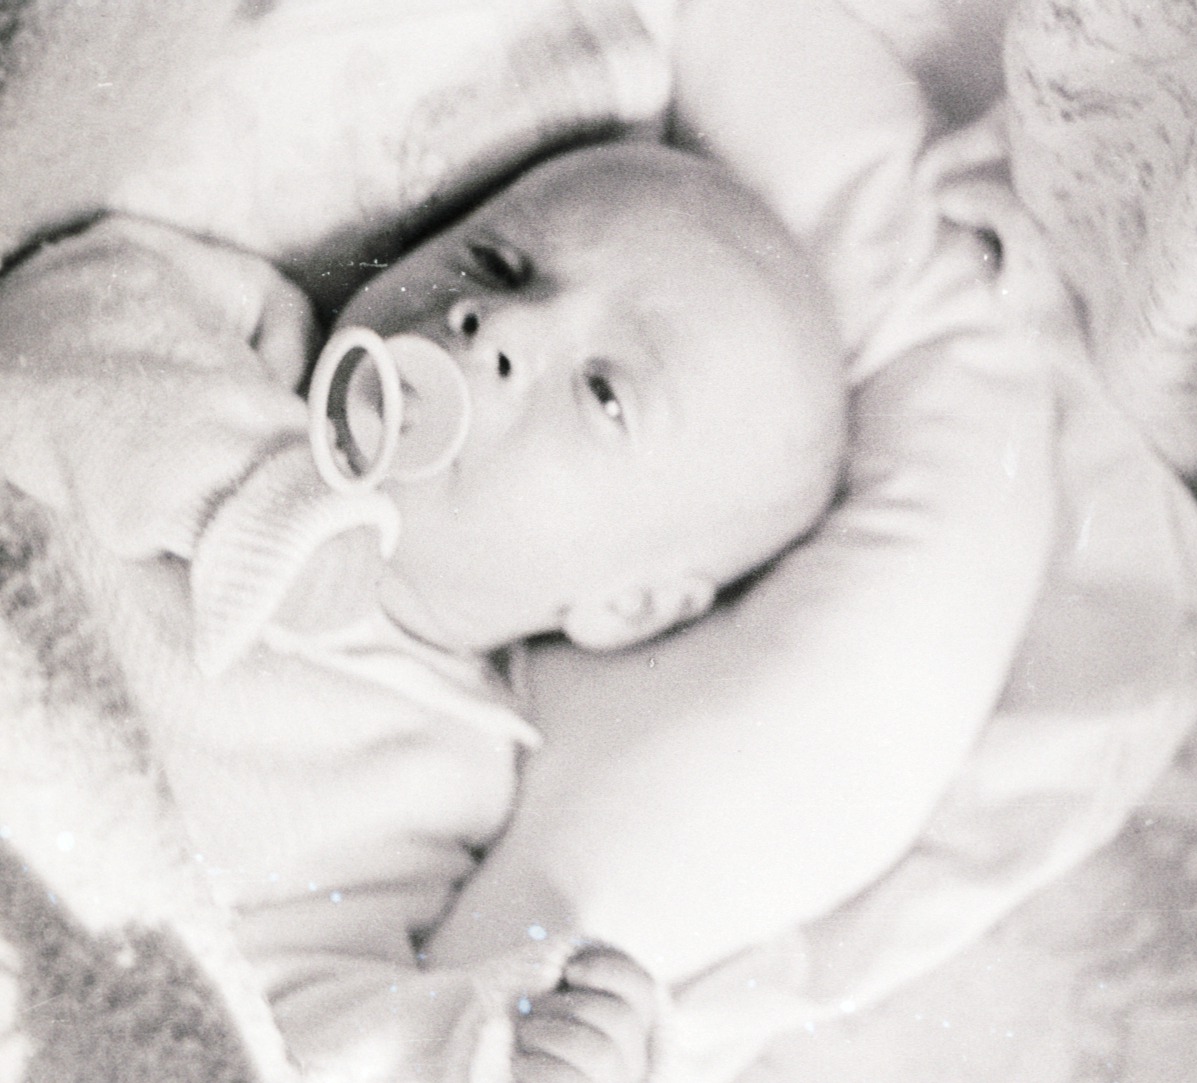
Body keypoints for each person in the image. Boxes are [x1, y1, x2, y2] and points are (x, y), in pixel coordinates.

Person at [0, 140, 847, 1083]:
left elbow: (286, 1018)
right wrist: (252, 489)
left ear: (629, 605)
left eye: (603, 390)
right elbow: (46, 325)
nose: (498, 323)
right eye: (499, 263)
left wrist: (484, 1045)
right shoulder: (248, 343)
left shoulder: (442, 780)